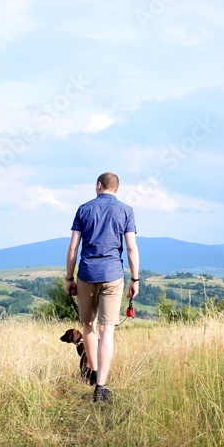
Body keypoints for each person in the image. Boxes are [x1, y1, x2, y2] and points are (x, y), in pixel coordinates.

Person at [65, 172, 140, 403]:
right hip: (113, 274)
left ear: (99, 186)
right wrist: (135, 280)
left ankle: (93, 371)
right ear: (116, 188)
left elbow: (72, 249)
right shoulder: (126, 211)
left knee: (88, 325)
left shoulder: (83, 209)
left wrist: (69, 277)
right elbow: (130, 249)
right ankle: (101, 386)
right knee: (107, 330)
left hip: (87, 273)